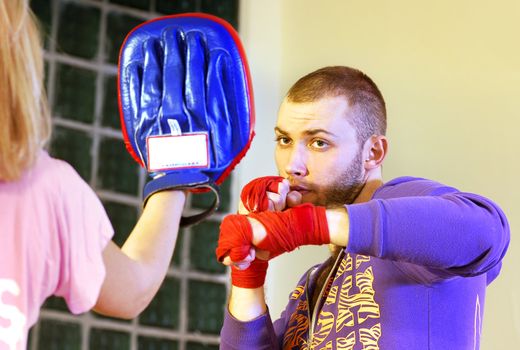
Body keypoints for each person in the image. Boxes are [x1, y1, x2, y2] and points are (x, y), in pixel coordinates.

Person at [216, 66, 510, 349]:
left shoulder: (403, 201)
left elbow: (487, 231)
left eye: (319, 143)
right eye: (284, 140)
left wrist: (308, 225)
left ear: (373, 152)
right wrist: (249, 269)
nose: (292, 165)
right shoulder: (314, 286)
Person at [0, 3, 187, 349]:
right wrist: (178, 163)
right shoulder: (45, 188)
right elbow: (134, 288)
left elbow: (131, 290)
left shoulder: (46, 189)